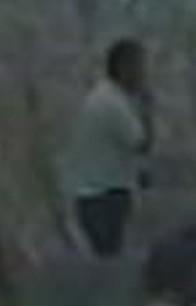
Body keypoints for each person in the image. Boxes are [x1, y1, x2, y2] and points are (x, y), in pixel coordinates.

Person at [58, 38, 153, 257]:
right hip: (105, 199)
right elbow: (142, 143)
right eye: (139, 67)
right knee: (110, 259)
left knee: (106, 256)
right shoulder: (113, 103)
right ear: (124, 68)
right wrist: (147, 110)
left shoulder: (103, 97)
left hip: (93, 197)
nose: (143, 74)